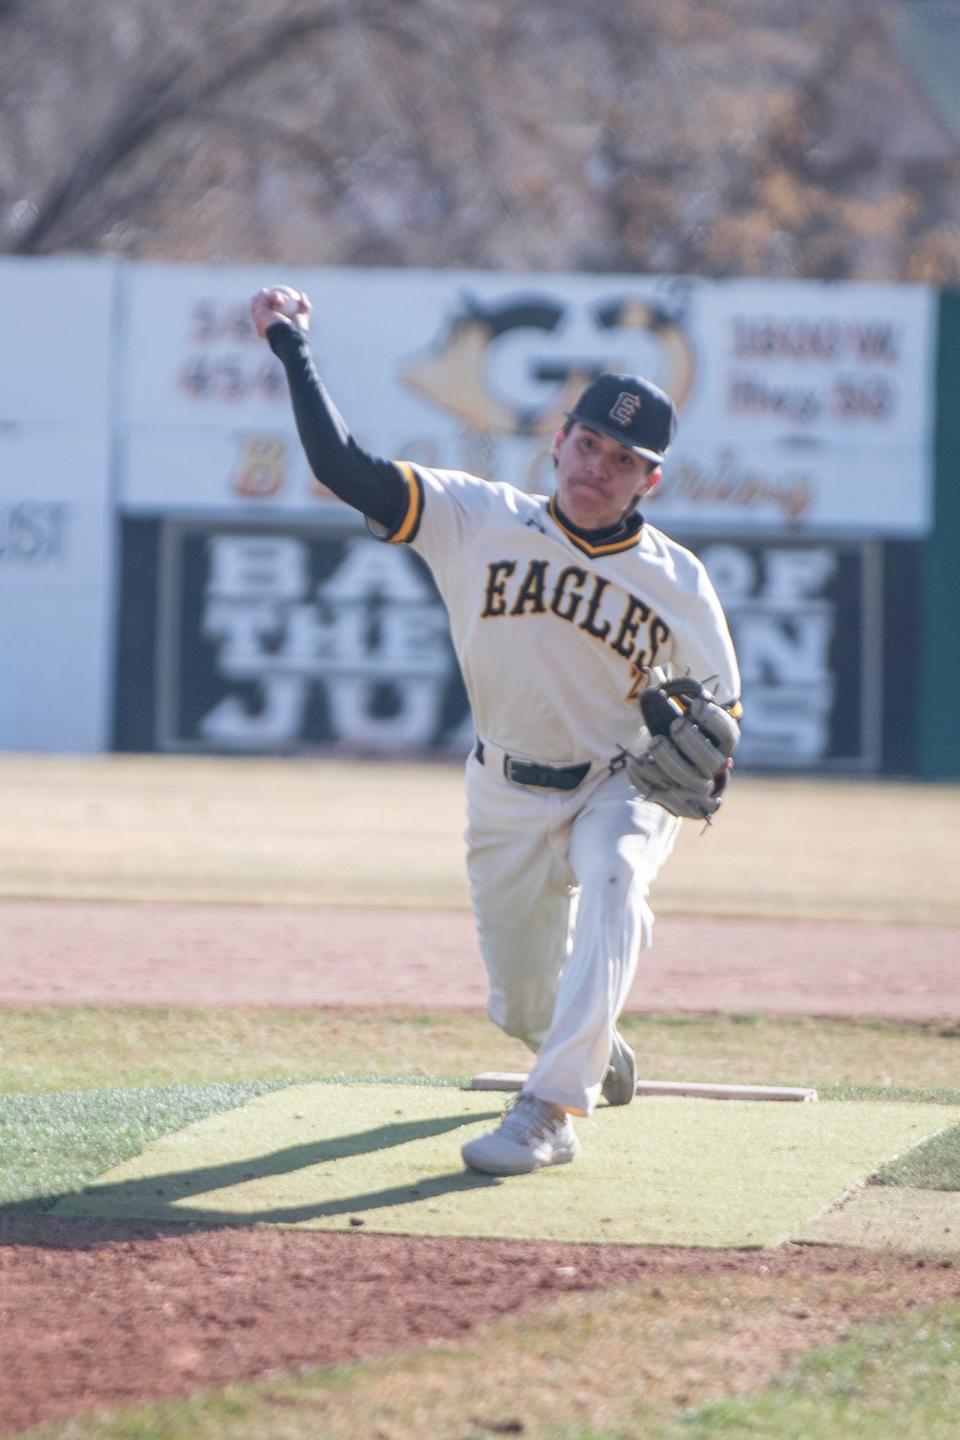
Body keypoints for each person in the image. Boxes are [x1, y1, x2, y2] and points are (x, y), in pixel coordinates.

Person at [251, 284, 741, 1178]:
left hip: (617, 779)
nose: (596, 466)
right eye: (587, 442)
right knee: (521, 1006)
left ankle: (550, 1110)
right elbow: (342, 465)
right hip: (506, 789)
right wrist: (292, 346)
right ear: (557, 442)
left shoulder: (679, 579)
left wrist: (712, 757)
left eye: (622, 458)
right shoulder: (475, 517)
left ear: (651, 479)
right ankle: (591, 1050)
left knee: (619, 872)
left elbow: (724, 714)